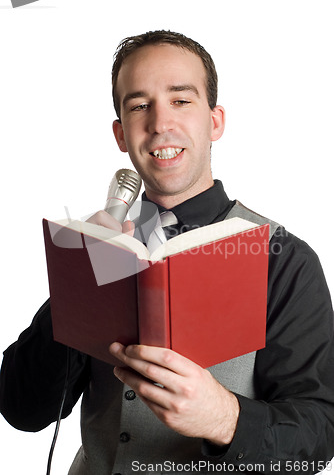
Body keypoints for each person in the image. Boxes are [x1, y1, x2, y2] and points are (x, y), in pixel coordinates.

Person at [1, 30, 334, 475]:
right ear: (121, 134)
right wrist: (80, 277)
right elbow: (23, 409)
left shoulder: (284, 259)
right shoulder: (99, 247)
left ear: (214, 121)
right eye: (139, 106)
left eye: (181, 101)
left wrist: (225, 418)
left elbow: (320, 433)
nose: (160, 124)